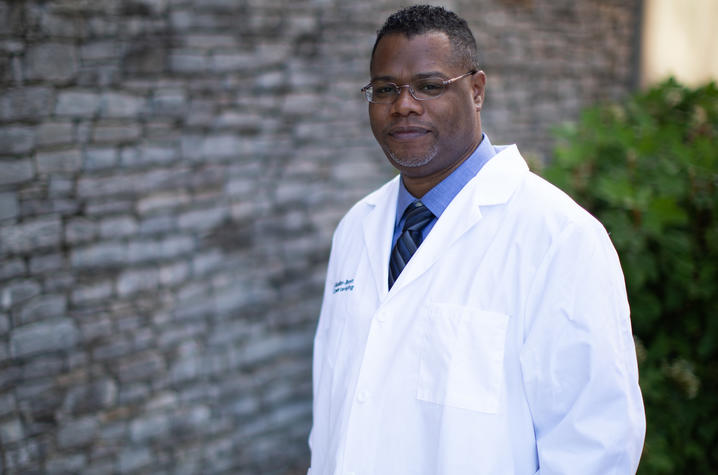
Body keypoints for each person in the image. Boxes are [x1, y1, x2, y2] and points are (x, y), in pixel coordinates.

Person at [309, 5, 645, 474]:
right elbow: (331, 410)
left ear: (477, 90)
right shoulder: (355, 229)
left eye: (429, 86)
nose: (404, 104)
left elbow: (594, 446)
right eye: (386, 89)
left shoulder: (560, 239)